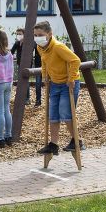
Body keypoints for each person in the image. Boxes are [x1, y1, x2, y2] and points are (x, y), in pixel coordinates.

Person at [34, 21, 82, 155]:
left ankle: (77, 140)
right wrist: (45, 76)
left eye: (41, 35)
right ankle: (54, 144)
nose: (38, 37)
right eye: (36, 35)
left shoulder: (58, 47)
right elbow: (44, 62)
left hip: (68, 83)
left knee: (65, 113)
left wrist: (71, 78)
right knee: (53, 114)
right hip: (54, 83)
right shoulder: (40, 47)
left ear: (49, 34)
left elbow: (75, 61)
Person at [10, 27, 42, 106]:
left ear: (24, 35)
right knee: (25, 82)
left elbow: (37, 50)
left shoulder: (31, 42)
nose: (18, 36)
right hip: (20, 64)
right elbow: (11, 52)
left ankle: (38, 100)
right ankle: (27, 98)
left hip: (31, 64)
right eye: (17, 34)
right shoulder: (17, 43)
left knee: (38, 83)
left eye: (20, 34)